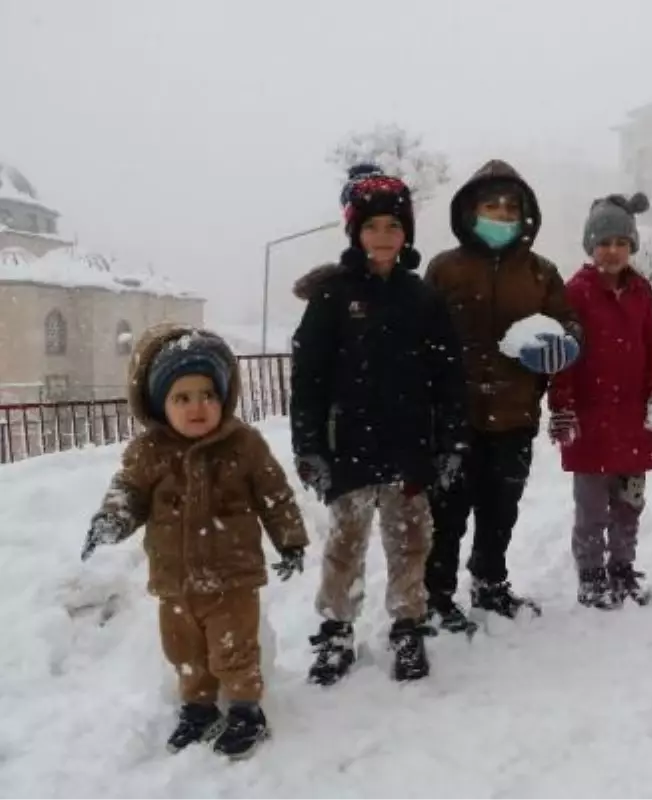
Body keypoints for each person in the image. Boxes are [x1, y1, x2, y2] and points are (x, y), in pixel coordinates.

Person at [82, 325, 308, 760]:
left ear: (223, 396)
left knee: (234, 648)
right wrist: (111, 519)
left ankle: (246, 710)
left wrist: (290, 540)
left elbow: (274, 494)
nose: (197, 407)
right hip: (175, 580)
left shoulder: (244, 444)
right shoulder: (149, 452)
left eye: (207, 394)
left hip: (233, 577)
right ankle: (198, 707)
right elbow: (127, 490)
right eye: (181, 398)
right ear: (160, 405)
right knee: (184, 649)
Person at [290, 165, 469, 685]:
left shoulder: (422, 298)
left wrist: (452, 440)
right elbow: (308, 377)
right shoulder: (332, 297)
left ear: (406, 232)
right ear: (355, 232)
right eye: (372, 227)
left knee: (411, 540)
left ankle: (408, 624)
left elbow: (448, 374)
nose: (383, 237)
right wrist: (308, 446)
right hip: (348, 445)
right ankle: (336, 630)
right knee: (345, 542)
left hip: (410, 445)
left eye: (393, 226)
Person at [422, 159, 582, 630]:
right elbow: (420, 334)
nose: (501, 214)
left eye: (511, 206)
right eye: (491, 204)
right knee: (446, 513)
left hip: (515, 414)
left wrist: (563, 344)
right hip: (454, 417)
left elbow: (569, 325)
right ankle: (438, 595)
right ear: (471, 211)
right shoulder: (445, 268)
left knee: (500, 509)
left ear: (525, 214)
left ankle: (490, 584)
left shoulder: (540, 272)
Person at [547, 192, 652, 609]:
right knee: (591, 508)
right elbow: (562, 355)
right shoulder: (575, 292)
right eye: (604, 242)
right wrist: (562, 405)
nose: (613, 250)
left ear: (632, 245)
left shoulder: (640, 291)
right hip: (591, 420)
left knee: (629, 502)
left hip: (635, 419)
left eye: (621, 242)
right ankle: (591, 574)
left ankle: (621, 566)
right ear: (590, 246)